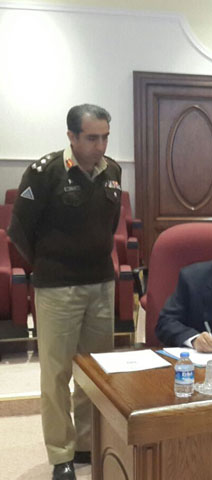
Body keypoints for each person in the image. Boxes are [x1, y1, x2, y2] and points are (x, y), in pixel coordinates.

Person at [8, 104, 121, 480]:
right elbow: (19, 232)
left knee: (95, 370)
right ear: (72, 137)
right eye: (92, 138)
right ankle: (61, 455)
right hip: (57, 287)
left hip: (101, 283)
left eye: (105, 136)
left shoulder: (113, 172)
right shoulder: (44, 173)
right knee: (56, 373)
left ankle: (88, 441)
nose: (100, 145)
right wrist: (48, 264)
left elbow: (109, 225)